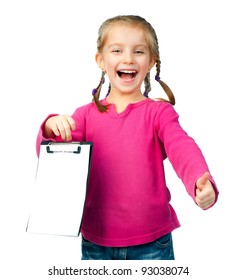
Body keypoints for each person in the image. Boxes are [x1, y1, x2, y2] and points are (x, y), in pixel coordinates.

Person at [36, 15, 219, 260]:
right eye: (117, 50)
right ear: (101, 60)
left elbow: (181, 146)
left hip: (152, 244)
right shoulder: (85, 116)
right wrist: (50, 127)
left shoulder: (159, 113)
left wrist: (199, 179)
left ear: (152, 61)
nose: (128, 58)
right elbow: (50, 152)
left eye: (139, 51)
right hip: (95, 243)